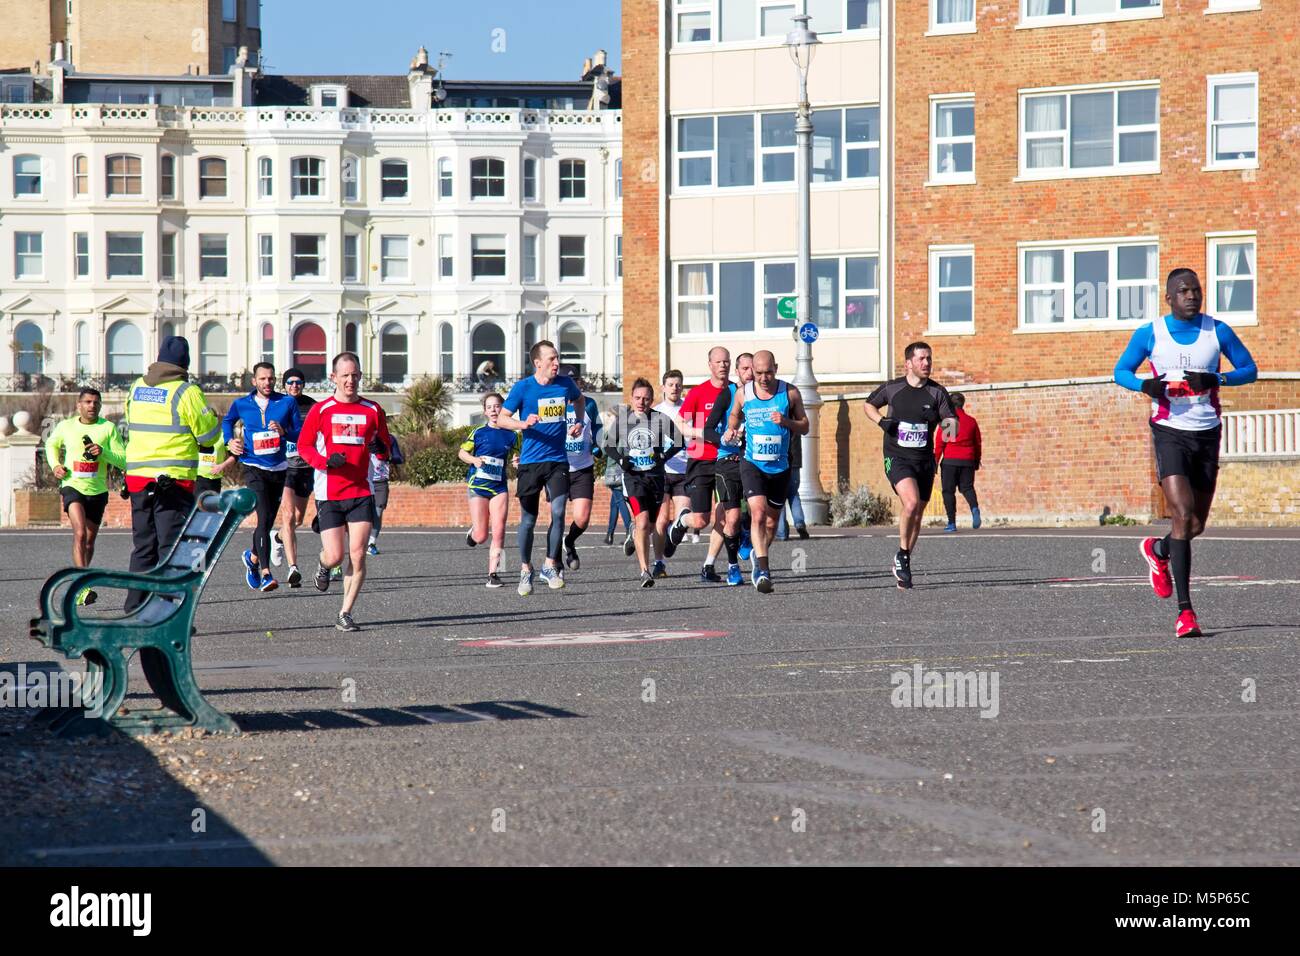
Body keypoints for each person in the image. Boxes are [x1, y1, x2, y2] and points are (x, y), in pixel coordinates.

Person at [1115, 268, 1258, 639]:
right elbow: (1121, 371)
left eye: (1196, 290)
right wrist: (1146, 385)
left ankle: (1158, 549)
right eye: (1183, 291)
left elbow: (1250, 369)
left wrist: (1216, 379)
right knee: (1181, 514)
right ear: (1169, 298)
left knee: (1195, 525)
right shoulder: (1151, 333)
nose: (1192, 296)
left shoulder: (1217, 331)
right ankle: (1186, 613)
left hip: (1207, 433)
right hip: (1169, 432)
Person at [122, 336, 222, 613]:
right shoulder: (186, 392)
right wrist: (212, 419)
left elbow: (131, 424)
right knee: (171, 548)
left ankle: (134, 607)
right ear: (184, 363)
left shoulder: (137, 387)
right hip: (173, 481)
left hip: (138, 479)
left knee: (143, 547)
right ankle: (166, 613)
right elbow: (209, 436)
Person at [295, 351, 392, 631]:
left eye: (355, 375)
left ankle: (345, 612)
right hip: (330, 492)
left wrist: (379, 450)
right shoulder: (322, 410)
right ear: (334, 378)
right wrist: (324, 462)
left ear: (360, 376)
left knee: (358, 553)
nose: (350, 380)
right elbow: (304, 446)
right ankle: (324, 565)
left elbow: (385, 450)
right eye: (345, 375)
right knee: (335, 555)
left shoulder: (372, 410)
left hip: (362, 490)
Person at [863, 342, 958, 590]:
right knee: (911, 502)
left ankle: (903, 556)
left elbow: (951, 424)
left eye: (929, 359)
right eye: (921, 359)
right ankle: (903, 558)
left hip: (924, 460)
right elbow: (868, 404)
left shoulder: (938, 393)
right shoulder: (893, 388)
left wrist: (941, 421)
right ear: (908, 363)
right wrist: (882, 422)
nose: (926, 363)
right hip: (897, 456)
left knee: (918, 513)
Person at [496, 340, 584, 596]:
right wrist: (523, 423)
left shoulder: (566, 384)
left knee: (558, 512)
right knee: (528, 520)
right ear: (538, 363)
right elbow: (502, 419)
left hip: (558, 460)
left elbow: (580, 401)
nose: (557, 363)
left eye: (558, 358)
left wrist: (578, 422)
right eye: (552, 359)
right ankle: (526, 568)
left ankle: (549, 564)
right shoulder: (523, 388)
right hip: (531, 462)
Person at [725, 351, 809, 593]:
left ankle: (756, 554)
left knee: (771, 524)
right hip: (752, 463)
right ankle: (763, 570)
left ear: (776, 368)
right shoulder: (744, 392)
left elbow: (805, 426)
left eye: (768, 372)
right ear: (752, 370)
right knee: (758, 514)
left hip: (780, 467)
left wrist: (786, 422)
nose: (763, 378)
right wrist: (732, 429)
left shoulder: (790, 392)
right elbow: (734, 414)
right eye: (758, 373)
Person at [223, 363, 302, 593]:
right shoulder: (242, 404)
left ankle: (252, 558)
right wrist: (230, 440)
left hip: (278, 468)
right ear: (254, 381)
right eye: (263, 379)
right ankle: (266, 574)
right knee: (263, 517)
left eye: (271, 379)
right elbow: (228, 422)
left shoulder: (287, 402)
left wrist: (284, 431)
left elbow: (299, 432)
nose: (267, 383)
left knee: (267, 521)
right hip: (253, 466)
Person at [601, 379, 686, 588]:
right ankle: (644, 571)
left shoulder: (660, 419)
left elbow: (679, 441)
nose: (642, 402)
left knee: (652, 525)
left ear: (652, 400)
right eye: (638, 398)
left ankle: (653, 557)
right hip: (633, 477)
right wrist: (622, 460)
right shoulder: (623, 420)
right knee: (642, 521)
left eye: (646, 399)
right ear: (631, 397)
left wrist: (663, 456)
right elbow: (608, 446)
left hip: (655, 477)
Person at [45, 388, 126, 605]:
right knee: (79, 534)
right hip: (73, 485)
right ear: (78, 405)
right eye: (88, 402)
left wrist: (104, 453)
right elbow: (51, 444)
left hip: (97, 490)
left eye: (96, 402)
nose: (92, 406)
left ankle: (80, 585)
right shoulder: (66, 426)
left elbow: (123, 459)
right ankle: (83, 586)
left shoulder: (108, 428)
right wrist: (56, 466)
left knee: (89, 543)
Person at [459, 392, 520, 588]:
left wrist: (517, 461)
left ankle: (494, 573)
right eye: (490, 407)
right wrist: (474, 460)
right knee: (482, 536)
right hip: (478, 486)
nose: (494, 410)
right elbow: (462, 452)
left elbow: (518, 455)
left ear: (503, 409)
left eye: (497, 406)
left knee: (500, 530)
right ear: (485, 412)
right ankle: (474, 533)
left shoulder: (511, 435)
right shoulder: (478, 433)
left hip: (499, 487)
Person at [271, 368, 317, 587]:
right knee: (288, 516)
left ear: (303, 384)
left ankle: (277, 538)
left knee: (298, 519)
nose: (294, 386)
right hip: (285, 466)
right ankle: (293, 569)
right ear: (284, 385)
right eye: (290, 382)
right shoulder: (277, 404)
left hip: (306, 466)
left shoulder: (313, 406)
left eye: (298, 382)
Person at [561, 365, 603, 572]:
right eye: (567, 381)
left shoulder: (590, 404)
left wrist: (598, 446)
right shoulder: (552, 405)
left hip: (583, 467)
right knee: (557, 516)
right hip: (558, 468)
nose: (572, 385)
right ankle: (553, 561)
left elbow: (598, 429)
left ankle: (569, 542)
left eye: (575, 381)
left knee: (582, 518)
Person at [651, 369, 689, 577]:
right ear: (663, 387)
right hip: (663, 471)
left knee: (684, 515)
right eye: (671, 384)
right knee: (662, 518)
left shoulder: (690, 410)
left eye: (678, 384)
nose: (675, 388)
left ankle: (672, 539)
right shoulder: (656, 412)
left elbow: (697, 439)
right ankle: (658, 562)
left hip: (684, 470)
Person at [934, 392, 982, 533]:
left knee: (948, 492)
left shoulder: (950, 421)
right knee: (967, 488)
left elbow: (940, 444)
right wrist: (976, 460)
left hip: (950, 461)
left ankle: (952, 523)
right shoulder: (971, 421)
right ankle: (974, 508)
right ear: (962, 404)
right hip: (967, 460)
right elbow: (977, 443)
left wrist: (935, 462)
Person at [367, 433, 403, 555]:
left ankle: (371, 543)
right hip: (364, 480)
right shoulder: (361, 436)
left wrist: (388, 457)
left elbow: (399, 458)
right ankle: (357, 542)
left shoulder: (390, 438)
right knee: (361, 515)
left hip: (380, 481)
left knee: (378, 513)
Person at [775, 430, 809, 541]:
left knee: (779, 497)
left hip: (782, 463)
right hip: (796, 463)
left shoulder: (781, 421)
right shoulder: (796, 422)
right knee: (793, 494)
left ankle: (781, 532)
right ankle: (799, 523)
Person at [602, 429, 633, 545]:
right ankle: (609, 535)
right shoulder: (628, 431)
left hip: (613, 470)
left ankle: (630, 530)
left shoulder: (612, 432)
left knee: (620, 501)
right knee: (614, 504)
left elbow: (604, 451)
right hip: (623, 469)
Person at [195, 412, 232, 498]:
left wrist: (222, 466)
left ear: (215, 420)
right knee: (195, 507)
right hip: (197, 477)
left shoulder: (223, 435)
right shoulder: (196, 434)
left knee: (211, 508)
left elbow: (234, 456)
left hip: (214, 479)